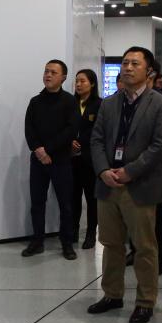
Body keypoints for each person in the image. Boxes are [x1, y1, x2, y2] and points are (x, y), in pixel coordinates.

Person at [87, 47, 162, 323]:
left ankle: (145, 302)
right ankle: (112, 294)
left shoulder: (160, 104)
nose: (128, 67)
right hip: (108, 184)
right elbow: (96, 139)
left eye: (135, 63)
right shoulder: (110, 103)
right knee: (111, 243)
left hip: (140, 185)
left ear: (149, 71)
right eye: (125, 63)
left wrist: (129, 171)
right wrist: (103, 170)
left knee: (144, 247)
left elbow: (159, 146)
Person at [23, 60, 80, 260]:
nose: (48, 75)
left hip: (61, 160)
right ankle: (37, 241)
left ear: (63, 77)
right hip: (38, 160)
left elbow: (71, 130)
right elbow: (29, 129)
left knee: (66, 204)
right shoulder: (35, 102)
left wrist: (48, 150)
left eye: (53, 72)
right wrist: (39, 150)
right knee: (37, 202)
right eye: (46, 71)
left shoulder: (69, 101)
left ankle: (67, 243)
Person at [71, 69, 103, 249]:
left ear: (92, 83)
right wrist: (70, 142)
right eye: (77, 81)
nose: (78, 84)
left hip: (90, 160)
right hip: (71, 159)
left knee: (92, 199)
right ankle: (73, 231)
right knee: (73, 198)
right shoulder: (70, 103)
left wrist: (82, 143)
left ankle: (91, 233)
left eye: (82, 81)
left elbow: (100, 131)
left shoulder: (99, 104)